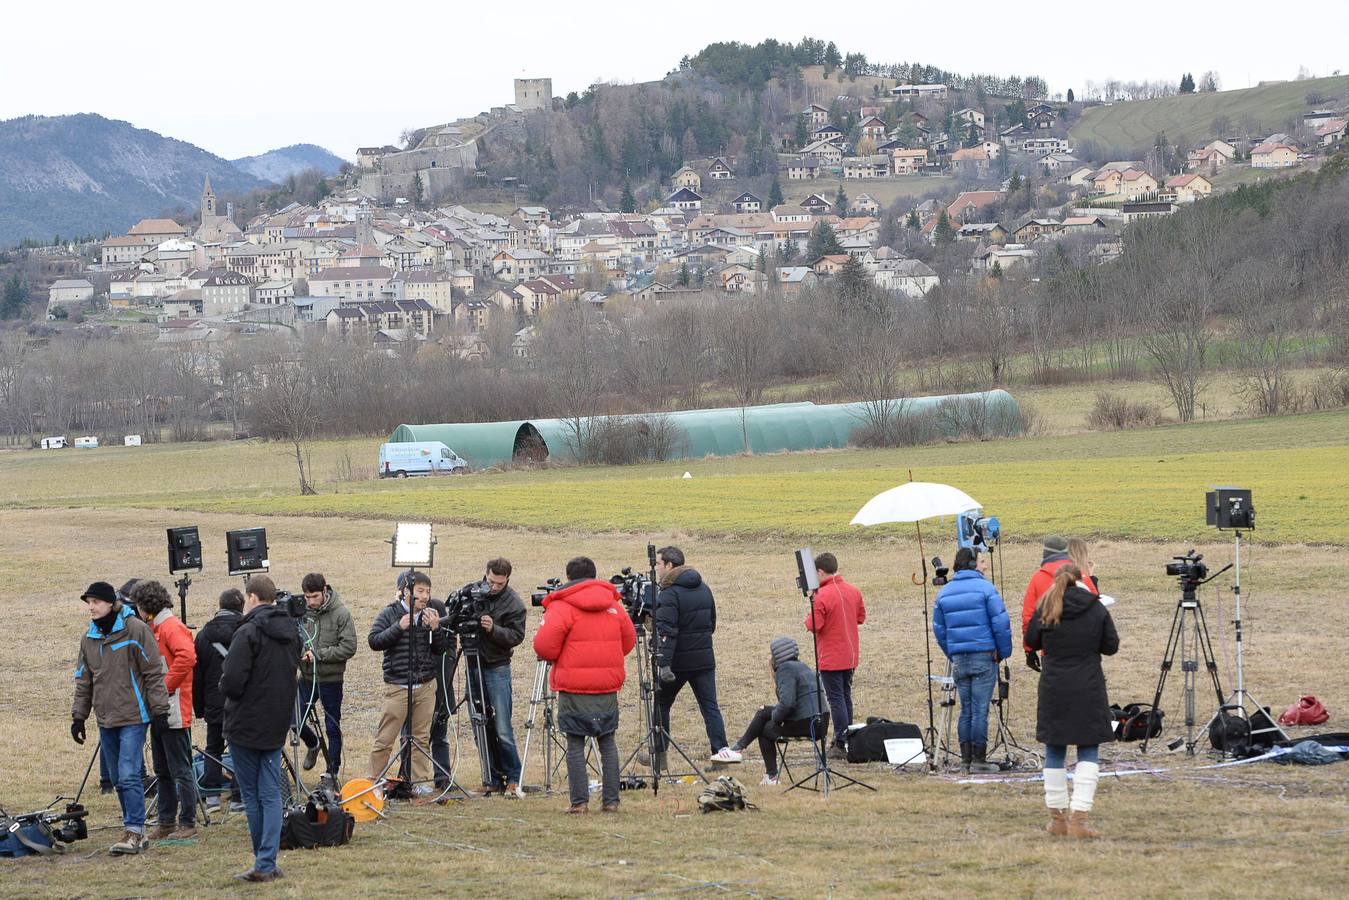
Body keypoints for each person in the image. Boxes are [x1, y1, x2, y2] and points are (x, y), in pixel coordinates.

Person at [72, 581, 171, 856]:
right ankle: (133, 828)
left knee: (129, 775)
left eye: (96, 602)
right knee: (117, 778)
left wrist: (160, 711)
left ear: (111, 603)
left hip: (134, 717)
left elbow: (153, 673)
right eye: (88, 602)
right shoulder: (88, 639)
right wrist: (78, 717)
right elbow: (84, 681)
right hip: (105, 719)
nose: (91, 607)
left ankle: (135, 831)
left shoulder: (136, 630)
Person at [532, 556, 636, 814]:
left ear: (568, 577)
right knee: (608, 741)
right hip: (606, 686)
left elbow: (544, 647)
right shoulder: (614, 604)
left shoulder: (562, 606)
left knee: (575, 743)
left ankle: (579, 802)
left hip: (573, 687)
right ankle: (611, 801)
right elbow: (629, 640)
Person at [1026, 563, 1119, 840]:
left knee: (1055, 749)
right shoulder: (1096, 607)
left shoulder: (1047, 605)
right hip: (1088, 684)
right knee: (1088, 749)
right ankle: (1079, 819)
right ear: (1081, 581)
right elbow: (1111, 646)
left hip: (1055, 685)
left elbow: (1031, 639)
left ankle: (1058, 819)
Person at [221, 575, 301, 882]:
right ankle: (268, 859)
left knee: (253, 795)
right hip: (276, 720)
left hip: (245, 722)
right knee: (271, 793)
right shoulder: (291, 629)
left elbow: (232, 681)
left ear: (252, 598)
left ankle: (264, 862)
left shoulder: (248, 631)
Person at [368, 570, 451, 800]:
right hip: (398, 686)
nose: (425, 596)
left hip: (425, 685)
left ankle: (420, 782)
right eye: (420, 591)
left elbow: (441, 650)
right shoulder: (390, 613)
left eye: (428, 591)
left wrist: (436, 628)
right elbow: (374, 641)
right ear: (406, 592)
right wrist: (399, 627)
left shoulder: (430, 614)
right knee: (385, 738)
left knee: (421, 737)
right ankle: (373, 782)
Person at [932, 548, 1013, 774]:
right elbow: (1001, 624)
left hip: (959, 659)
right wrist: (1002, 653)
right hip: (984, 657)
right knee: (979, 711)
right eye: (982, 561)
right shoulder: (986, 589)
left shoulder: (944, 593)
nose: (985, 566)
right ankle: (979, 760)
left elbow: (939, 630)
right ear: (972, 564)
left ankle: (967, 760)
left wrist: (953, 652)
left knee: (966, 710)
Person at [130, 580, 200, 841]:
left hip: (174, 709)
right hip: (160, 709)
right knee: (162, 769)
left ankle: (188, 822)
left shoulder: (170, 626)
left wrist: (164, 688)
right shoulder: (157, 627)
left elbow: (188, 657)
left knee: (180, 769)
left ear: (145, 606)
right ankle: (167, 820)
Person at [651, 546, 730, 766]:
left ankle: (659, 756)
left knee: (661, 704)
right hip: (704, 660)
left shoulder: (668, 593)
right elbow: (712, 623)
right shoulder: (703, 588)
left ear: (669, 565)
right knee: (710, 708)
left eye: (658, 564)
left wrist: (664, 664)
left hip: (677, 663)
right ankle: (722, 755)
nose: (656, 568)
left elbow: (667, 632)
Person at [710, 637, 824, 785]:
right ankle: (764, 772)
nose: (770, 658)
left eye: (771, 654)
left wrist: (775, 717)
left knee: (763, 717)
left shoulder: (786, 669)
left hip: (807, 723)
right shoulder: (803, 667)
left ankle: (739, 751)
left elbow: (788, 704)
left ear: (778, 654)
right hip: (820, 723)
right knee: (764, 721)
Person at [458, 558, 528, 796]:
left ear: (508, 579)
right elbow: (458, 616)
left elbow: (517, 636)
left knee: (502, 726)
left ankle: (513, 777)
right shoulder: (472, 592)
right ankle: (491, 778)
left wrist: (493, 629)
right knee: (479, 722)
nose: (495, 587)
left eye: (500, 583)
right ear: (485, 575)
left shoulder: (514, 603)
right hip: (473, 662)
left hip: (497, 666)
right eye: (491, 581)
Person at [802, 552, 866, 759]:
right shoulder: (854, 591)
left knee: (836, 698)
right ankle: (849, 737)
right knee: (845, 696)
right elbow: (860, 617)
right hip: (850, 654)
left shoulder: (823, 596)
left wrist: (811, 607)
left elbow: (814, 625)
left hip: (831, 656)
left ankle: (840, 741)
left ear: (820, 572)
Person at [295, 572, 357, 778]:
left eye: (315, 597)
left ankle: (332, 771)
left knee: (332, 726)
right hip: (306, 678)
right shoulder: (299, 612)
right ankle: (312, 744)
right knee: (294, 719)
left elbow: (349, 647)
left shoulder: (341, 613)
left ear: (324, 591)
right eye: (307, 597)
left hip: (331, 680)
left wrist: (319, 655)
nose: (311, 602)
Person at [194, 588, 244, 811]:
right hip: (239, 700)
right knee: (239, 748)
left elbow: (197, 676)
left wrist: (199, 707)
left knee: (212, 747)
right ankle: (238, 797)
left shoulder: (203, 635)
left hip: (213, 701)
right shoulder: (245, 630)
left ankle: (211, 796)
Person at [1021, 535, 1074, 666]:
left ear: (1045, 554)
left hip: (1050, 651)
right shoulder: (1081, 575)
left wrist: (1029, 649)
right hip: (1081, 650)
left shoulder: (1037, 579)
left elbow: (1028, 617)